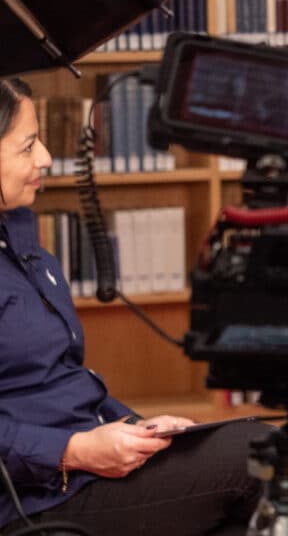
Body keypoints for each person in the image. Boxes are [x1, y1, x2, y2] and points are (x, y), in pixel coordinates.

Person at [0, 77, 267, 535]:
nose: (45, 156)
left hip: (84, 465)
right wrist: (73, 451)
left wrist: (135, 426)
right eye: (28, 146)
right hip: (36, 498)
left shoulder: (26, 245)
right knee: (260, 454)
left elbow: (63, 380)